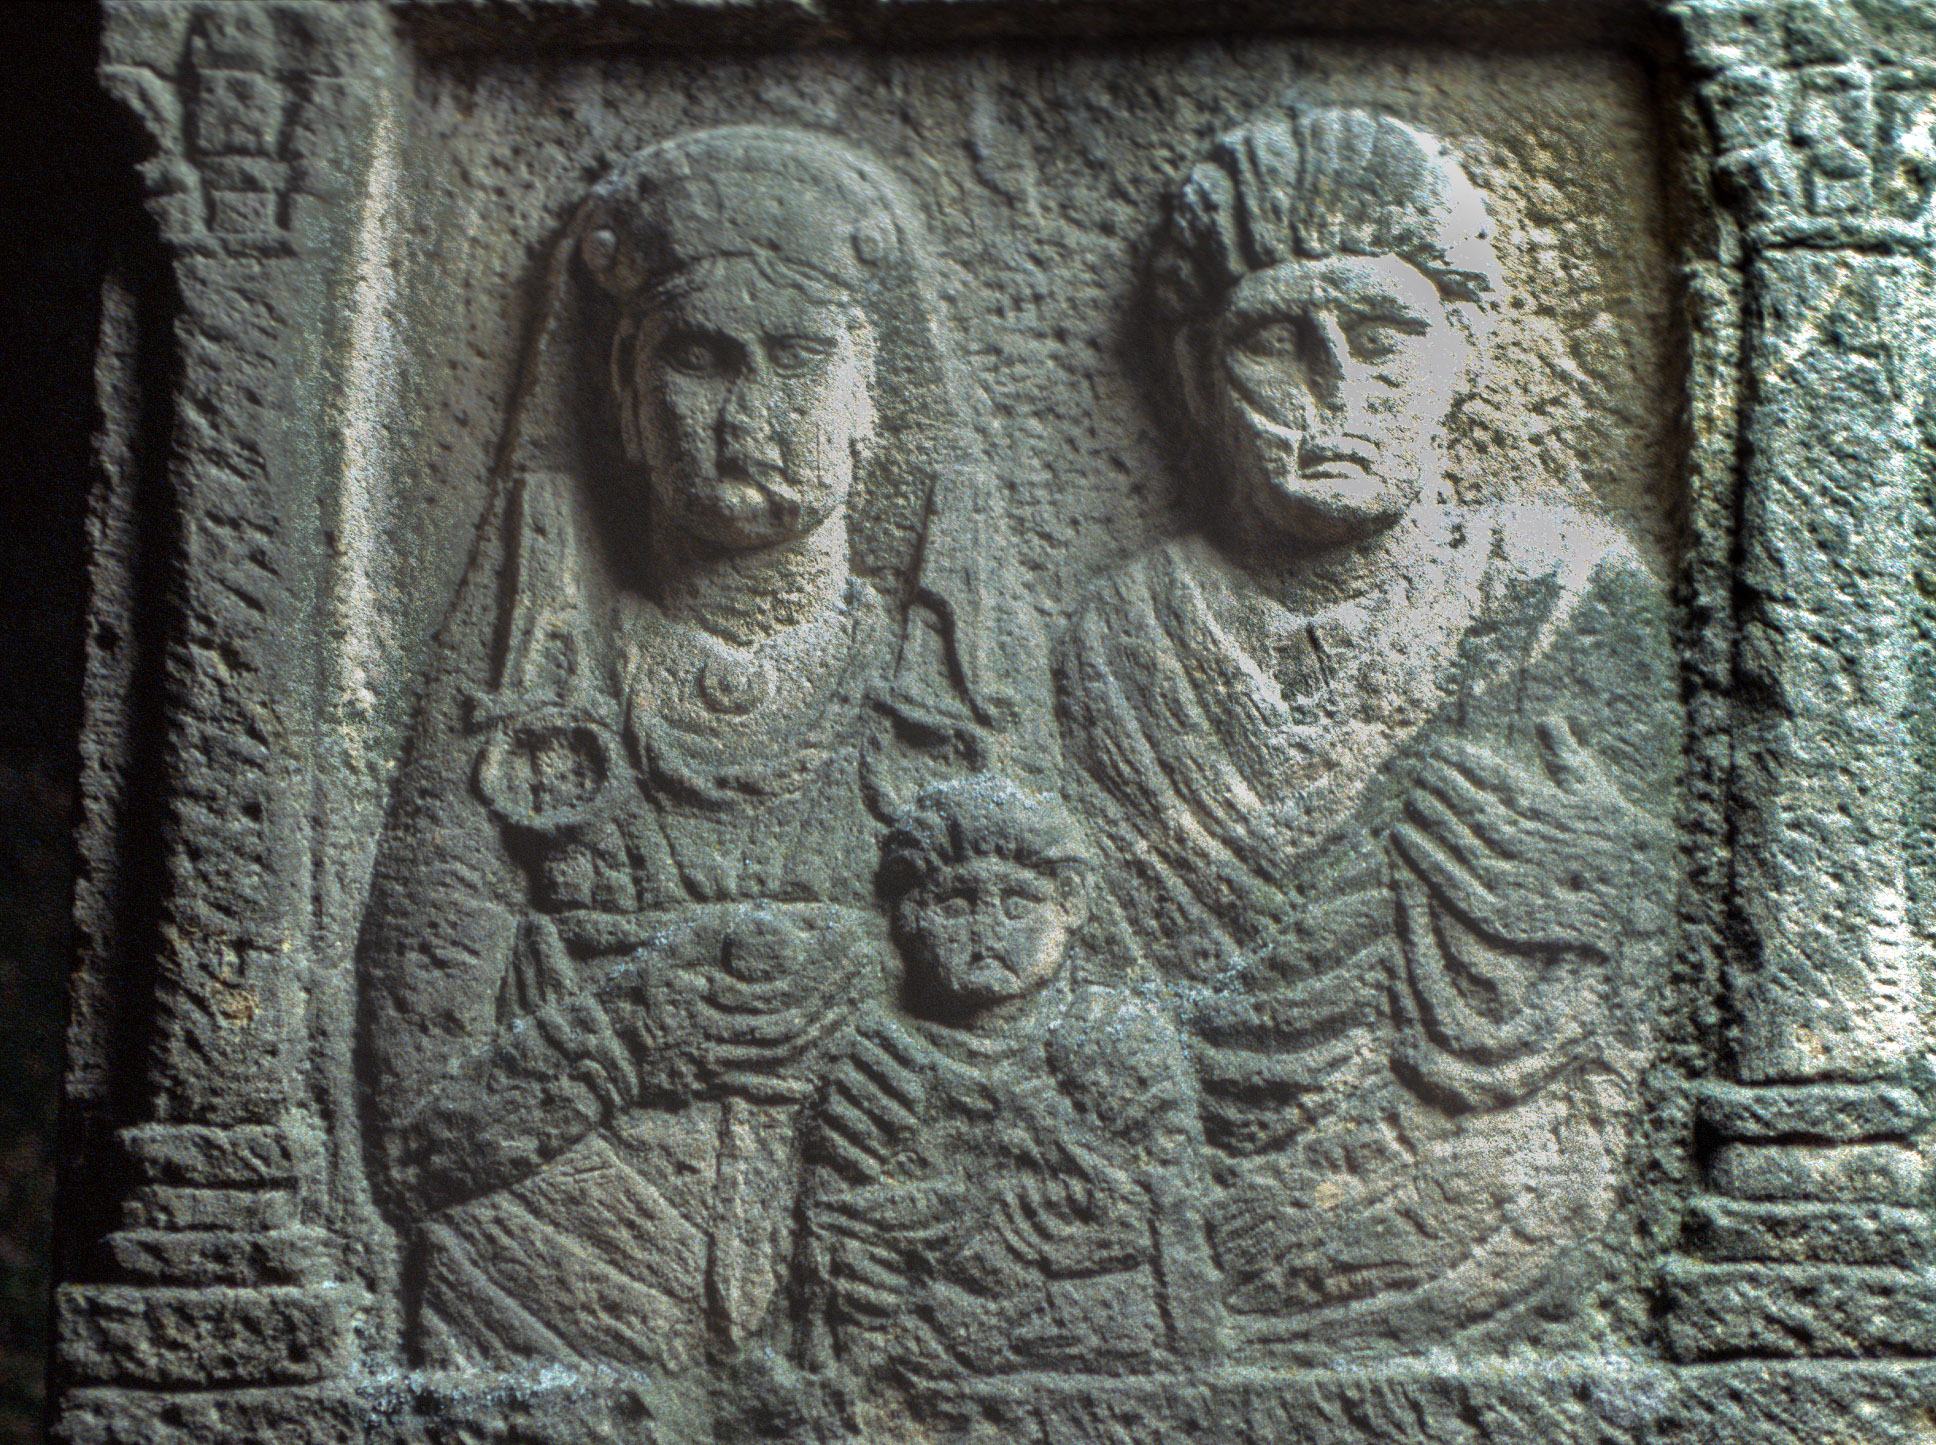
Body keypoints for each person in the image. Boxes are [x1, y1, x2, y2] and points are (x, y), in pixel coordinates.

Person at [358, 127, 1037, 1393]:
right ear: (625, 394)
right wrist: (635, 1024)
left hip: (896, 1306)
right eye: (698, 358)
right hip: (546, 1295)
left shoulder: (943, 700)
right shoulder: (528, 699)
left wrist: (875, 994)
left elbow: (1065, 1072)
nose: (747, 413)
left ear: (870, 397)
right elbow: (411, 1136)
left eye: (799, 358)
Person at [1055, 104, 1677, 1354]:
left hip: (1479, 1176)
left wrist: (1610, 881)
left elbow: (1650, 935)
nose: (1331, 390)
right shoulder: (1125, 634)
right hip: (1163, 1181)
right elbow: (1080, 979)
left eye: (1383, 338)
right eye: (1273, 341)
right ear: (1193, 373)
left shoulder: (1554, 591)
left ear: (1464, 350)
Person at [797, 776, 1223, 1424]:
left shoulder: (1116, 1041)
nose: (987, 928)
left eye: (1018, 903)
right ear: (908, 917)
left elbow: (1175, 1223)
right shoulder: (880, 1066)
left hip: (1104, 1357)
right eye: (955, 903)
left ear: (1070, 907)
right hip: (920, 1368)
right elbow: (830, 1252)